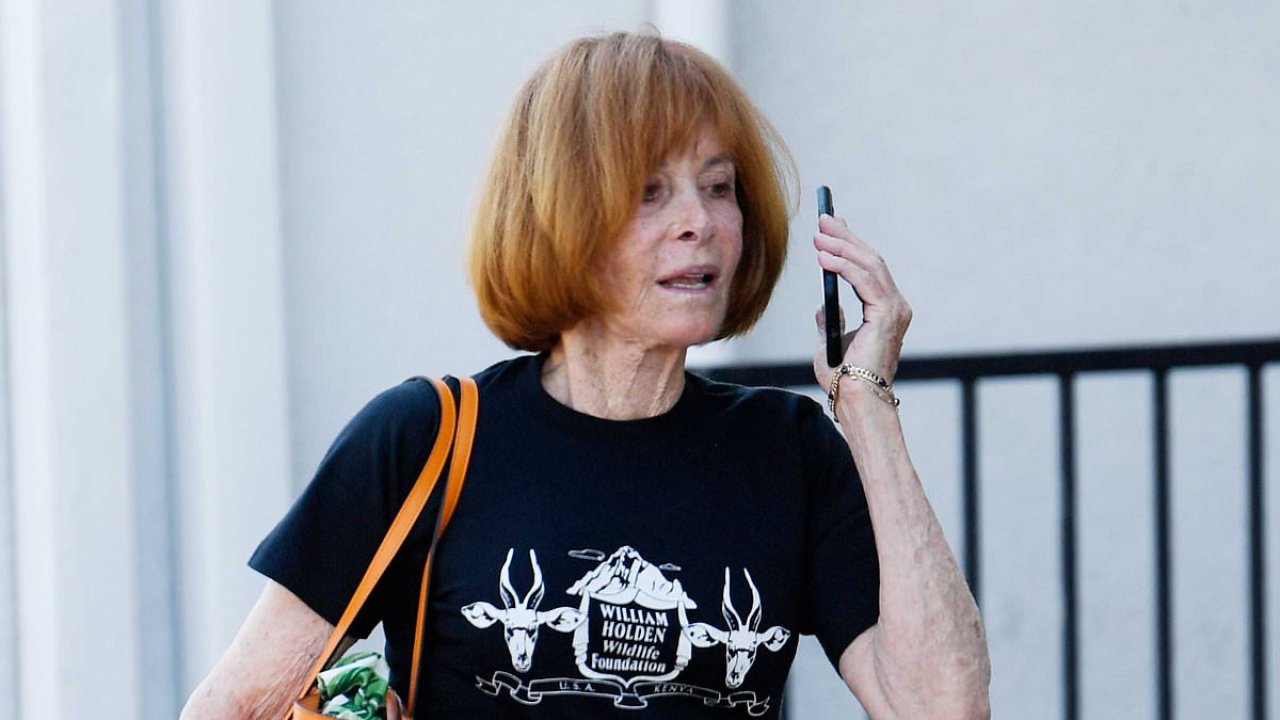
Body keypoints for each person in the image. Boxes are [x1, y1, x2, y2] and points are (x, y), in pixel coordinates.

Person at [181, 31, 989, 719]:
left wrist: (867, 406)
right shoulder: (427, 438)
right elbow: (235, 707)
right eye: (649, 193)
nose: (699, 223)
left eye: (717, 187)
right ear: (560, 216)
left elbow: (943, 708)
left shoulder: (788, 451)